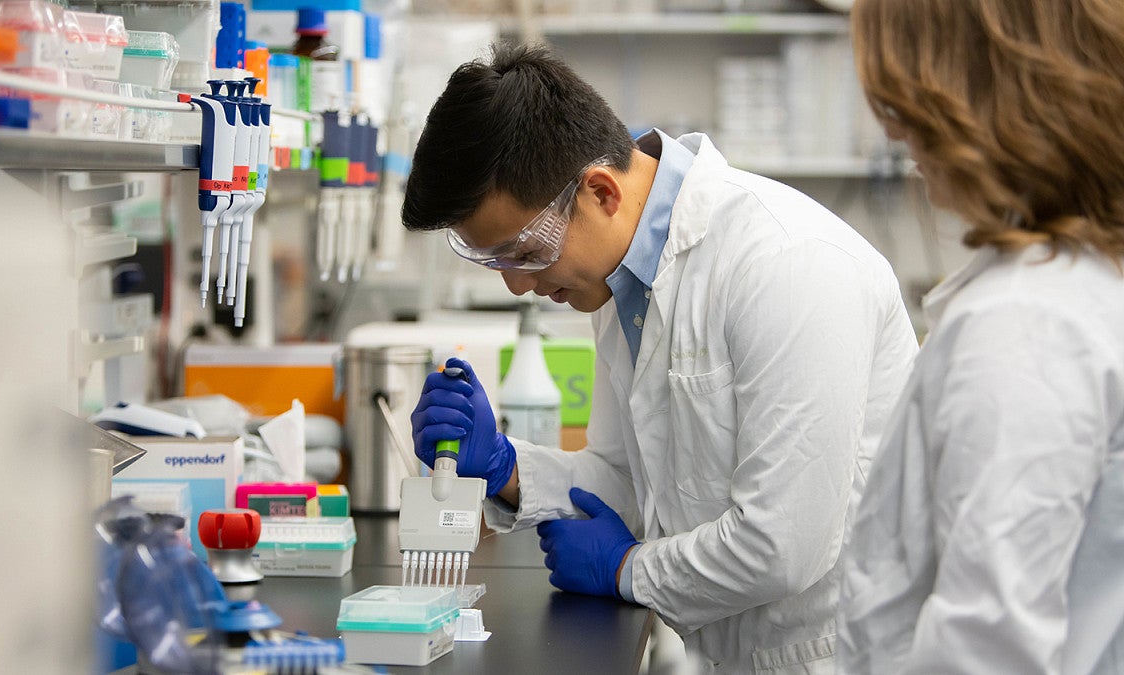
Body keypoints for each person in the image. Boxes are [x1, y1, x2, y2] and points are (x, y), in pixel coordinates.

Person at [403, 42, 919, 674]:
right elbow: (635, 487)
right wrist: (508, 468)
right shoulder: (620, 282)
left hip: (841, 656)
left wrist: (625, 569)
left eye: (524, 251)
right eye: (495, 261)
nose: (517, 284)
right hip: (732, 652)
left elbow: (784, 545)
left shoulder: (785, 264)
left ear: (600, 193)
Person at [838, 1, 1124, 673]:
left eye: (907, 107)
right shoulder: (1081, 278)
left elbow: (987, 650)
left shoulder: (1028, 323)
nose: (903, 140)